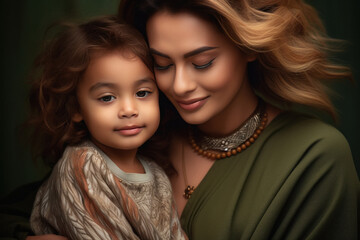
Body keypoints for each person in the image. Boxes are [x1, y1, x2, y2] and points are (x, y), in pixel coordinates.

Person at [118, 0, 360, 239]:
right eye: (163, 65)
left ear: (248, 47)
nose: (180, 86)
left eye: (202, 63)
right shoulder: (140, 141)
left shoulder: (314, 157)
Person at [25, 15, 186, 240]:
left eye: (142, 93)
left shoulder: (157, 176)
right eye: (107, 97)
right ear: (76, 108)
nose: (129, 109)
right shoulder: (83, 164)